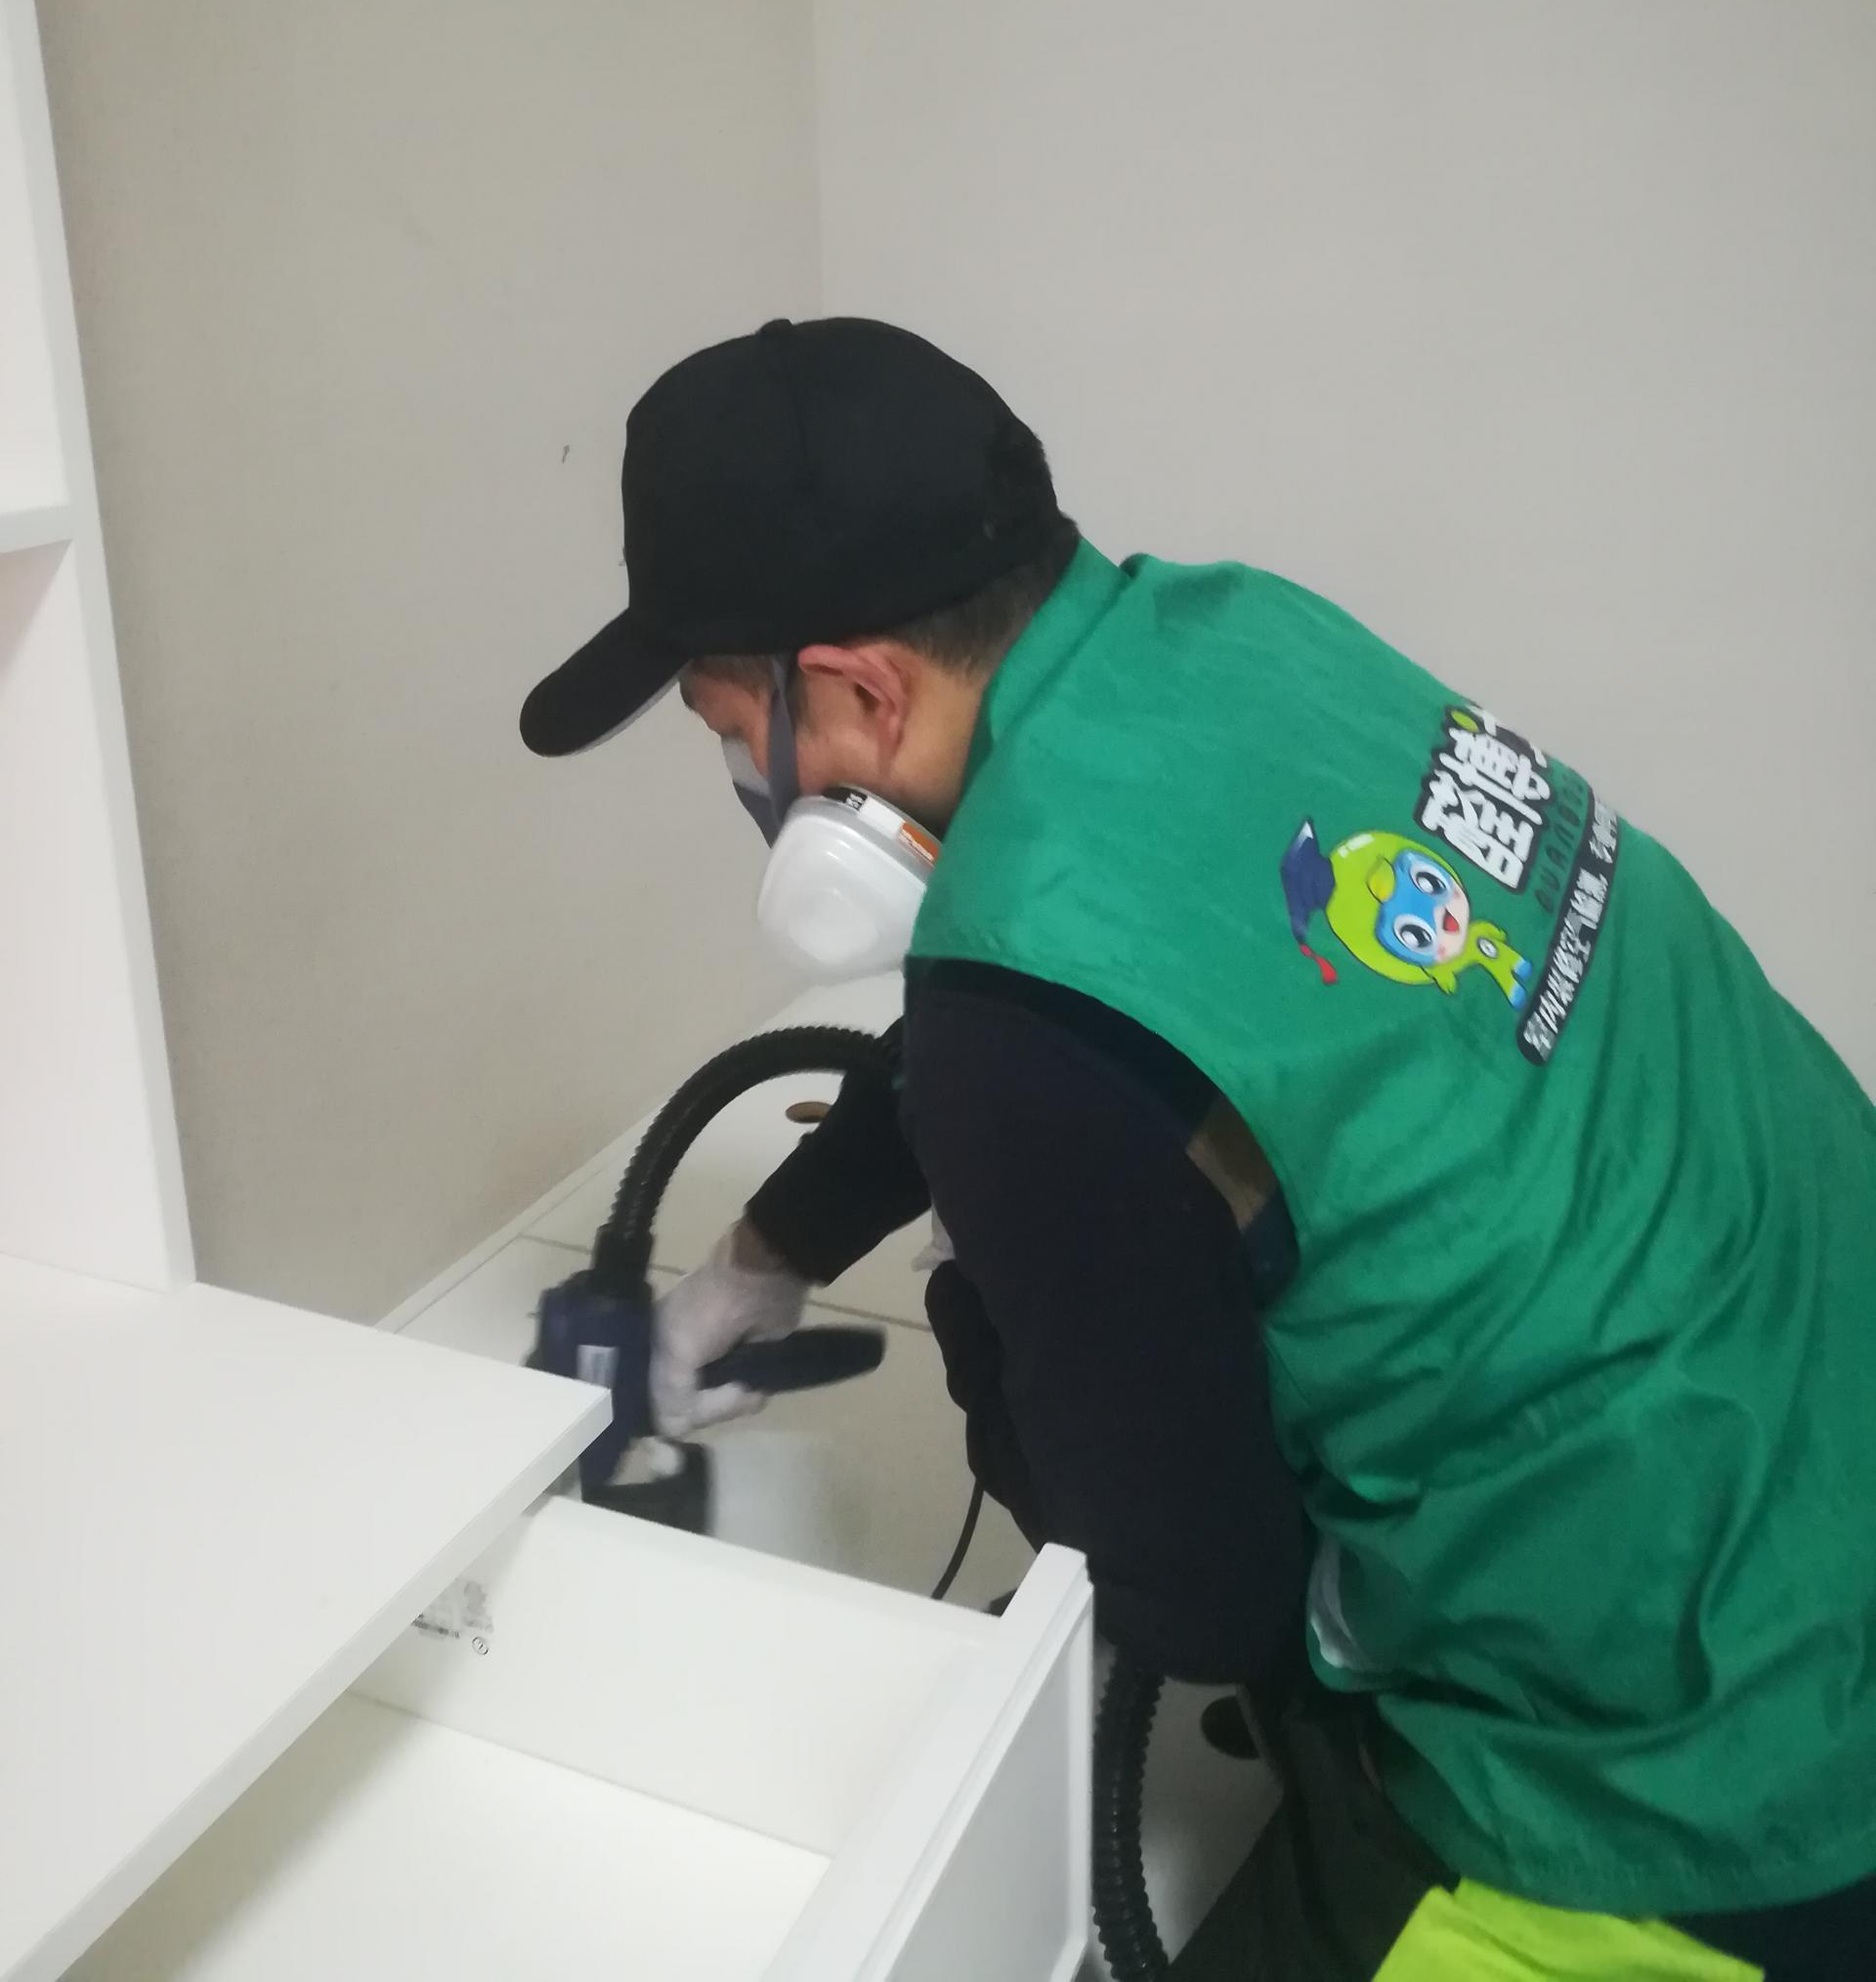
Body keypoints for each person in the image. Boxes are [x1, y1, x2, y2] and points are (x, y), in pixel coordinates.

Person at [521, 316, 1876, 1980]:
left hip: (1704, 1769)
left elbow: (1204, 1601)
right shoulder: (1237, 634)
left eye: (731, 726)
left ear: (858, 693)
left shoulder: (1016, 1033)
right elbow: (1086, 986)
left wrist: (985, 1310)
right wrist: (773, 1250)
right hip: (1808, 1419)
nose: (743, 771)